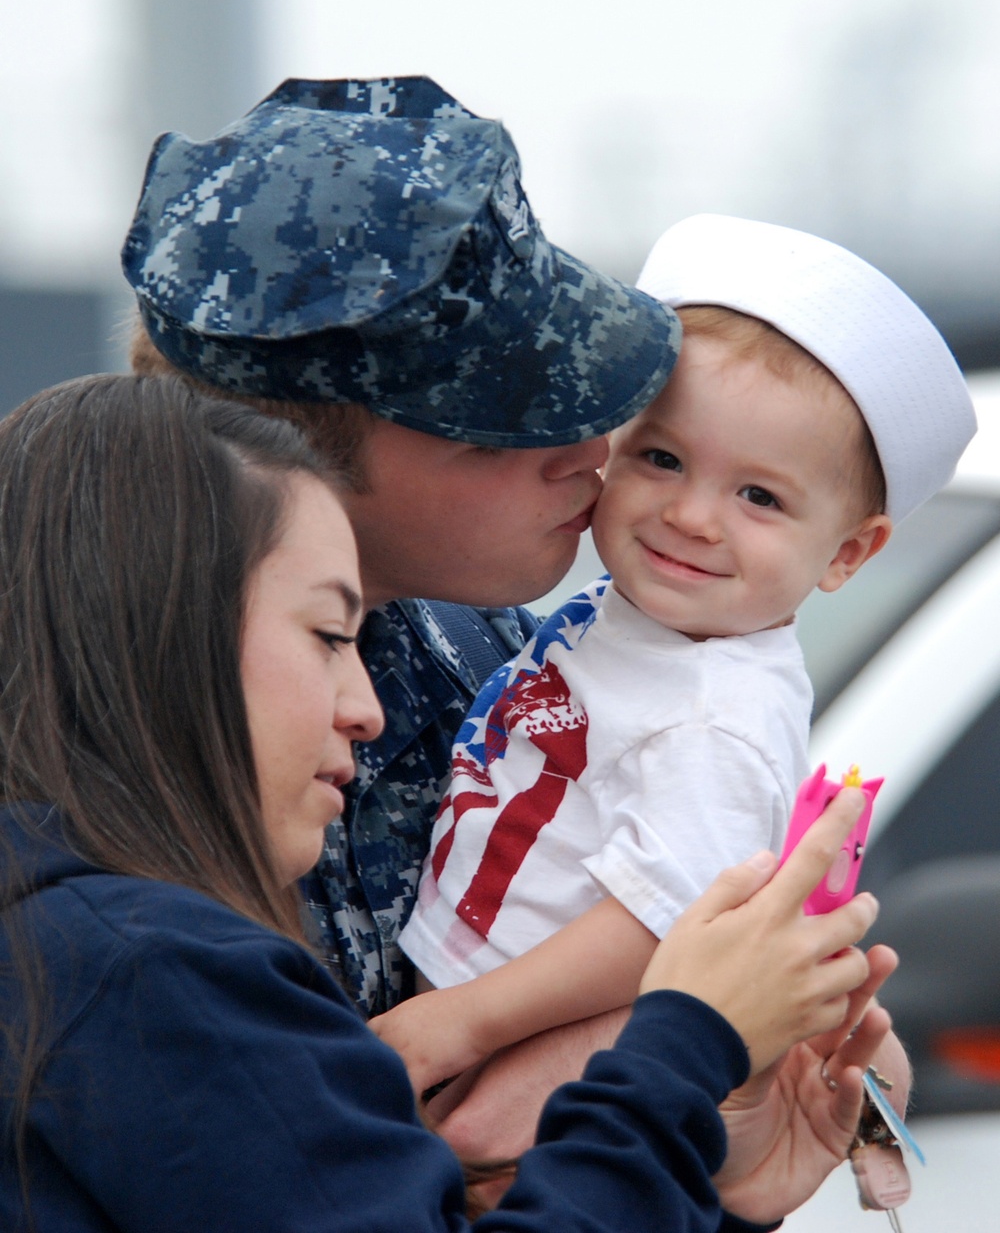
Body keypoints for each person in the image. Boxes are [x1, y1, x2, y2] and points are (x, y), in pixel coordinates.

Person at [120, 86, 913, 1205]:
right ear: (310, 441)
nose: (586, 444)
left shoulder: (493, 644)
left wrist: (724, 1157)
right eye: (515, 407)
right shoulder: (100, 754)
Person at [0, 372, 889, 1233]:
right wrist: (687, 1048)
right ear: (162, 627)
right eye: (328, 634)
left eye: (761, 497)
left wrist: (722, 1188)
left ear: (851, 551)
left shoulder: (106, 941)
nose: (369, 707)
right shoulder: (150, 971)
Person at [383, 215, 976, 1101]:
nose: (694, 517)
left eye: (759, 496)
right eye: (662, 458)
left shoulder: (716, 717)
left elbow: (660, 924)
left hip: (520, 1059)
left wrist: (455, 1026)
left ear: (849, 553)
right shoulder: (632, 624)